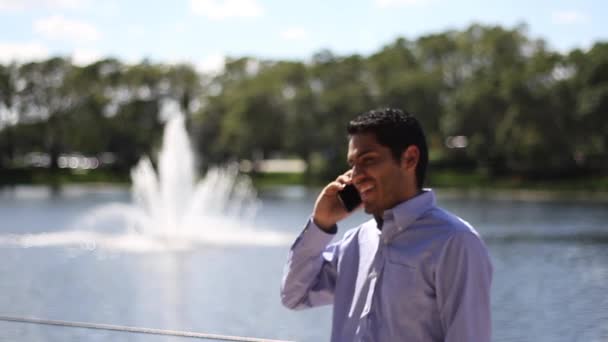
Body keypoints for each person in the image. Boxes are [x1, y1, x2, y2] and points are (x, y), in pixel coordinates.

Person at [280, 108, 493, 342]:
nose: (356, 175)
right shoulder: (355, 242)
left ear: (410, 158)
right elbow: (294, 296)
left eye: (368, 160)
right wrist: (321, 224)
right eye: (353, 164)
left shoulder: (456, 243)